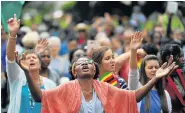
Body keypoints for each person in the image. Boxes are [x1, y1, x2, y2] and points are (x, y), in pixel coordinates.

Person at [23, 35, 177, 113]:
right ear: (74, 71)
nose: (85, 64)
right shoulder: (66, 88)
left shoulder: (105, 88)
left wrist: (155, 78)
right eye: (80, 63)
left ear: (94, 69)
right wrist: (27, 72)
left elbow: (134, 96)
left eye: (88, 63)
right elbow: (39, 97)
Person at [6, 14, 56, 113]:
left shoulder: (50, 84)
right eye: (28, 58)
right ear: (21, 63)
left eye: (34, 57)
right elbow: (11, 58)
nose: (32, 59)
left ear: (40, 65)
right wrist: (12, 35)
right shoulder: (17, 78)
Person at [128, 32, 172, 112]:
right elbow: (133, 70)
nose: (154, 70)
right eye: (150, 67)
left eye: (156, 67)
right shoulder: (136, 87)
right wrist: (133, 50)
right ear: (143, 70)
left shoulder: (165, 94)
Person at [160, 44, 185, 113]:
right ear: (169, 58)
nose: (183, 59)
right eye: (180, 56)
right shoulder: (160, 79)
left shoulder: (181, 73)